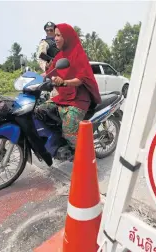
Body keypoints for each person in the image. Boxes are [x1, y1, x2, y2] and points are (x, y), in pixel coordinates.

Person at [36, 23, 101, 157]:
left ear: (67, 37)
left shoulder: (78, 54)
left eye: (59, 35)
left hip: (78, 99)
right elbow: (50, 72)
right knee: (40, 111)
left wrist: (64, 82)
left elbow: (80, 79)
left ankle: (85, 156)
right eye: (55, 35)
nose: (55, 38)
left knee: (69, 131)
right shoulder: (60, 56)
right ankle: (59, 144)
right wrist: (34, 78)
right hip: (63, 97)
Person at [37, 21, 60, 97]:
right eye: (47, 30)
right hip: (51, 71)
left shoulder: (59, 41)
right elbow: (40, 58)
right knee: (55, 94)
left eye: (51, 30)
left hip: (61, 69)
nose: (49, 32)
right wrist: (46, 66)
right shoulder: (44, 43)